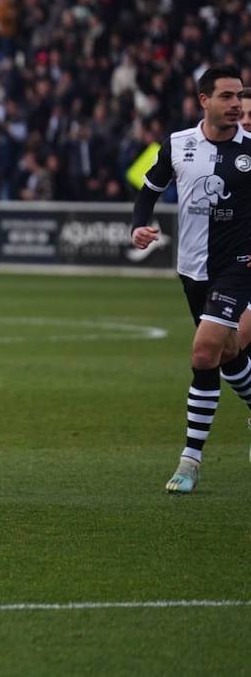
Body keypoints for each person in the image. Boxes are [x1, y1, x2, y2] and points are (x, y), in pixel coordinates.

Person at [131, 66, 251, 494]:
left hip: (238, 267)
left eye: (239, 96)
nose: (236, 104)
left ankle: (190, 460)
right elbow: (148, 189)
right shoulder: (178, 144)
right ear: (204, 101)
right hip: (192, 269)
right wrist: (139, 227)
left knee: (203, 354)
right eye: (226, 96)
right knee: (230, 351)